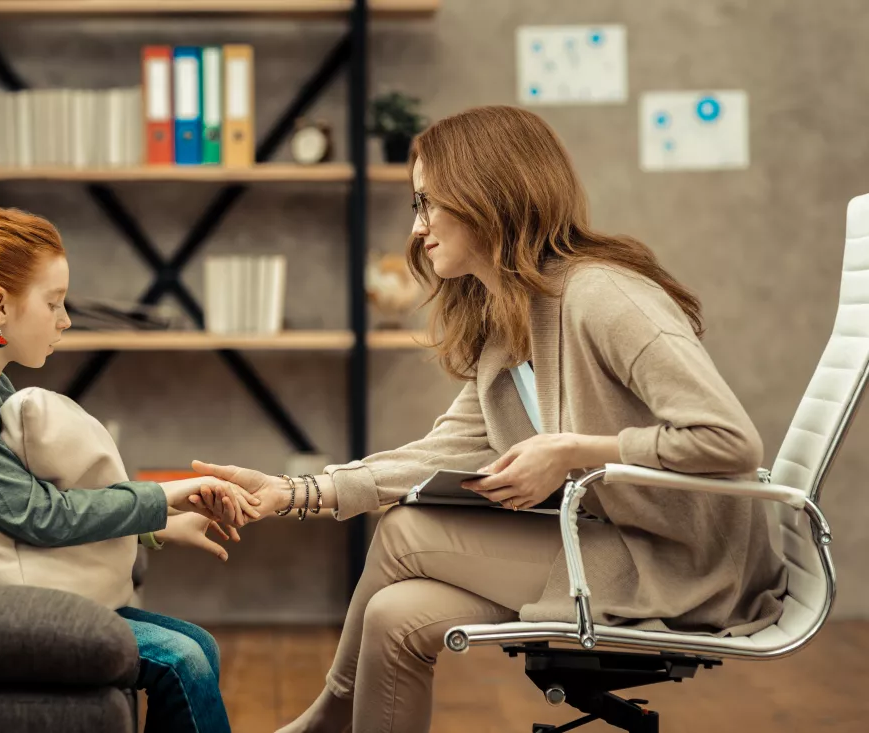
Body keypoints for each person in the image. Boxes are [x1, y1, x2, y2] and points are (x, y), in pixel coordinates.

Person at [191, 105, 788, 733]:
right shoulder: (509, 320)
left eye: (428, 203)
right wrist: (291, 493)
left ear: (486, 194)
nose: (417, 228)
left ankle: (324, 722)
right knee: (395, 616)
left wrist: (569, 451)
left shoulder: (604, 295)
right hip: (608, 548)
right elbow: (441, 450)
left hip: (686, 566)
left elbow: (729, 441)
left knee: (402, 532)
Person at [0, 207, 258, 733]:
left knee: (198, 646)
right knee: (182, 661)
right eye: (54, 303)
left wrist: (158, 527)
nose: (64, 320)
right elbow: (38, 516)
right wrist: (164, 496)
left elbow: (24, 505)